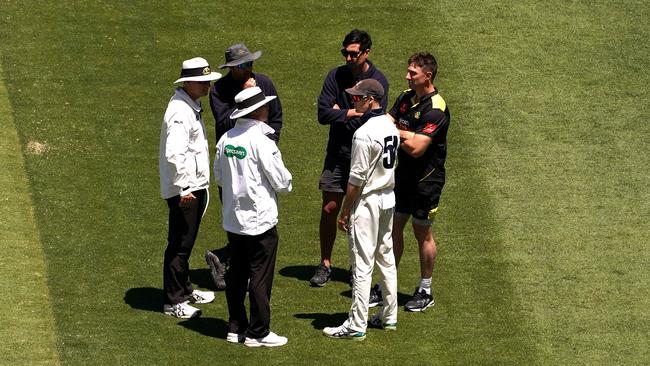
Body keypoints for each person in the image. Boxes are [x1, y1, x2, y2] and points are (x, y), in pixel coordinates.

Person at [214, 86, 292, 347]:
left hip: (233, 219)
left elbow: (219, 177)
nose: (269, 109)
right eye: (265, 106)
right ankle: (259, 332)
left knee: (236, 274)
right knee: (259, 276)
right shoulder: (262, 142)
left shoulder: (226, 139)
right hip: (259, 221)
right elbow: (282, 182)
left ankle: (236, 326)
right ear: (257, 111)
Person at [311, 29, 390, 288]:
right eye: (344, 52)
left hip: (363, 155)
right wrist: (353, 113)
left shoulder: (378, 81)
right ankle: (325, 264)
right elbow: (323, 114)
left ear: (366, 52)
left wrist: (341, 112)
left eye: (353, 53)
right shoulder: (335, 76)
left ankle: (358, 266)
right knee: (329, 209)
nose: (348, 57)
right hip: (337, 154)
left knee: (360, 213)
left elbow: (374, 118)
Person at [322, 79, 398, 340]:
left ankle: (356, 324)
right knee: (386, 257)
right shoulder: (391, 126)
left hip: (368, 201)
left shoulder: (364, 133)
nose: (352, 101)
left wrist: (345, 212)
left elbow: (355, 180)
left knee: (362, 263)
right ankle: (389, 316)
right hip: (388, 197)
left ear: (370, 100)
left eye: (356, 98)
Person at [205, 43, 284, 290]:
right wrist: (246, 98)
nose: (248, 69)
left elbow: (277, 117)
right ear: (231, 68)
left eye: (249, 63)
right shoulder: (218, 90)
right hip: (232, 163)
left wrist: (266, 144)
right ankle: (232, 264)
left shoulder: (265, 83)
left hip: (260, 161)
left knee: (259, 218)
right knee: (238, 218)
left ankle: (234, 266)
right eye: (242, 66)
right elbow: (225, 123)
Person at [388, 52, 450, 312]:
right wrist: (401, 132)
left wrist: (397, 132)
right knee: (393, 228)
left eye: (413, 73)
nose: (407, 76)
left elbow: (416, 148)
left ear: (428, 75)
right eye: (408, 72)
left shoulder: (436, 108)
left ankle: (425, 290)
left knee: (421, 231)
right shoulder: (405, 97)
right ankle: (386, 286)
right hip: (403, 176)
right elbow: (386, 122)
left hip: (427, 181)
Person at [159, 57, 221, 318]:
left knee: (187, 241)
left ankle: (184, 289)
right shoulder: (179, 112)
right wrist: (184, 187)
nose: (208, 86)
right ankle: (174, 302)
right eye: (204, 82)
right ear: (190, 83)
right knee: (180, 245)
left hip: (193, 186)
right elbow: (175, 153)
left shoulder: (189, 106)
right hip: (186, 189)